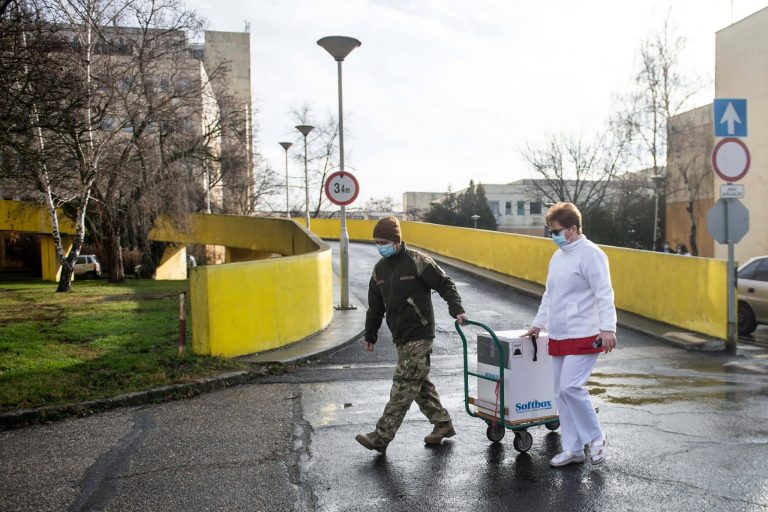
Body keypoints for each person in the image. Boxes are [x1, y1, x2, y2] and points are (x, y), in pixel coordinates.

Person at [355, 216, 468, 454]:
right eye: (376, 242)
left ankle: (381, 436)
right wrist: (370, 334)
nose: (380, 246)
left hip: (420, 333)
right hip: (400, 335)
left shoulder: (417, 261)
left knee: (404, 384)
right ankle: (443, 424)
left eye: (384, 241)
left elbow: (445, 284)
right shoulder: (380, 270)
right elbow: (375, 307)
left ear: (397, 240)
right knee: (418, 383)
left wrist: (456, 309)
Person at [523, 202, 616, 467]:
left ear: (573, 229)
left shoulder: (592, 254)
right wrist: (538, 324)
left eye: (556, 230)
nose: (552, 235)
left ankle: (596, 437)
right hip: (560, 332)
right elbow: (549, 295)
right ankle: (573, 449)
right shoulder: (558, 256)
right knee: (560, 393)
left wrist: (608, 328)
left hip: (586, 332)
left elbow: (604, 293)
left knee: (571, 387)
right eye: (550, 230)